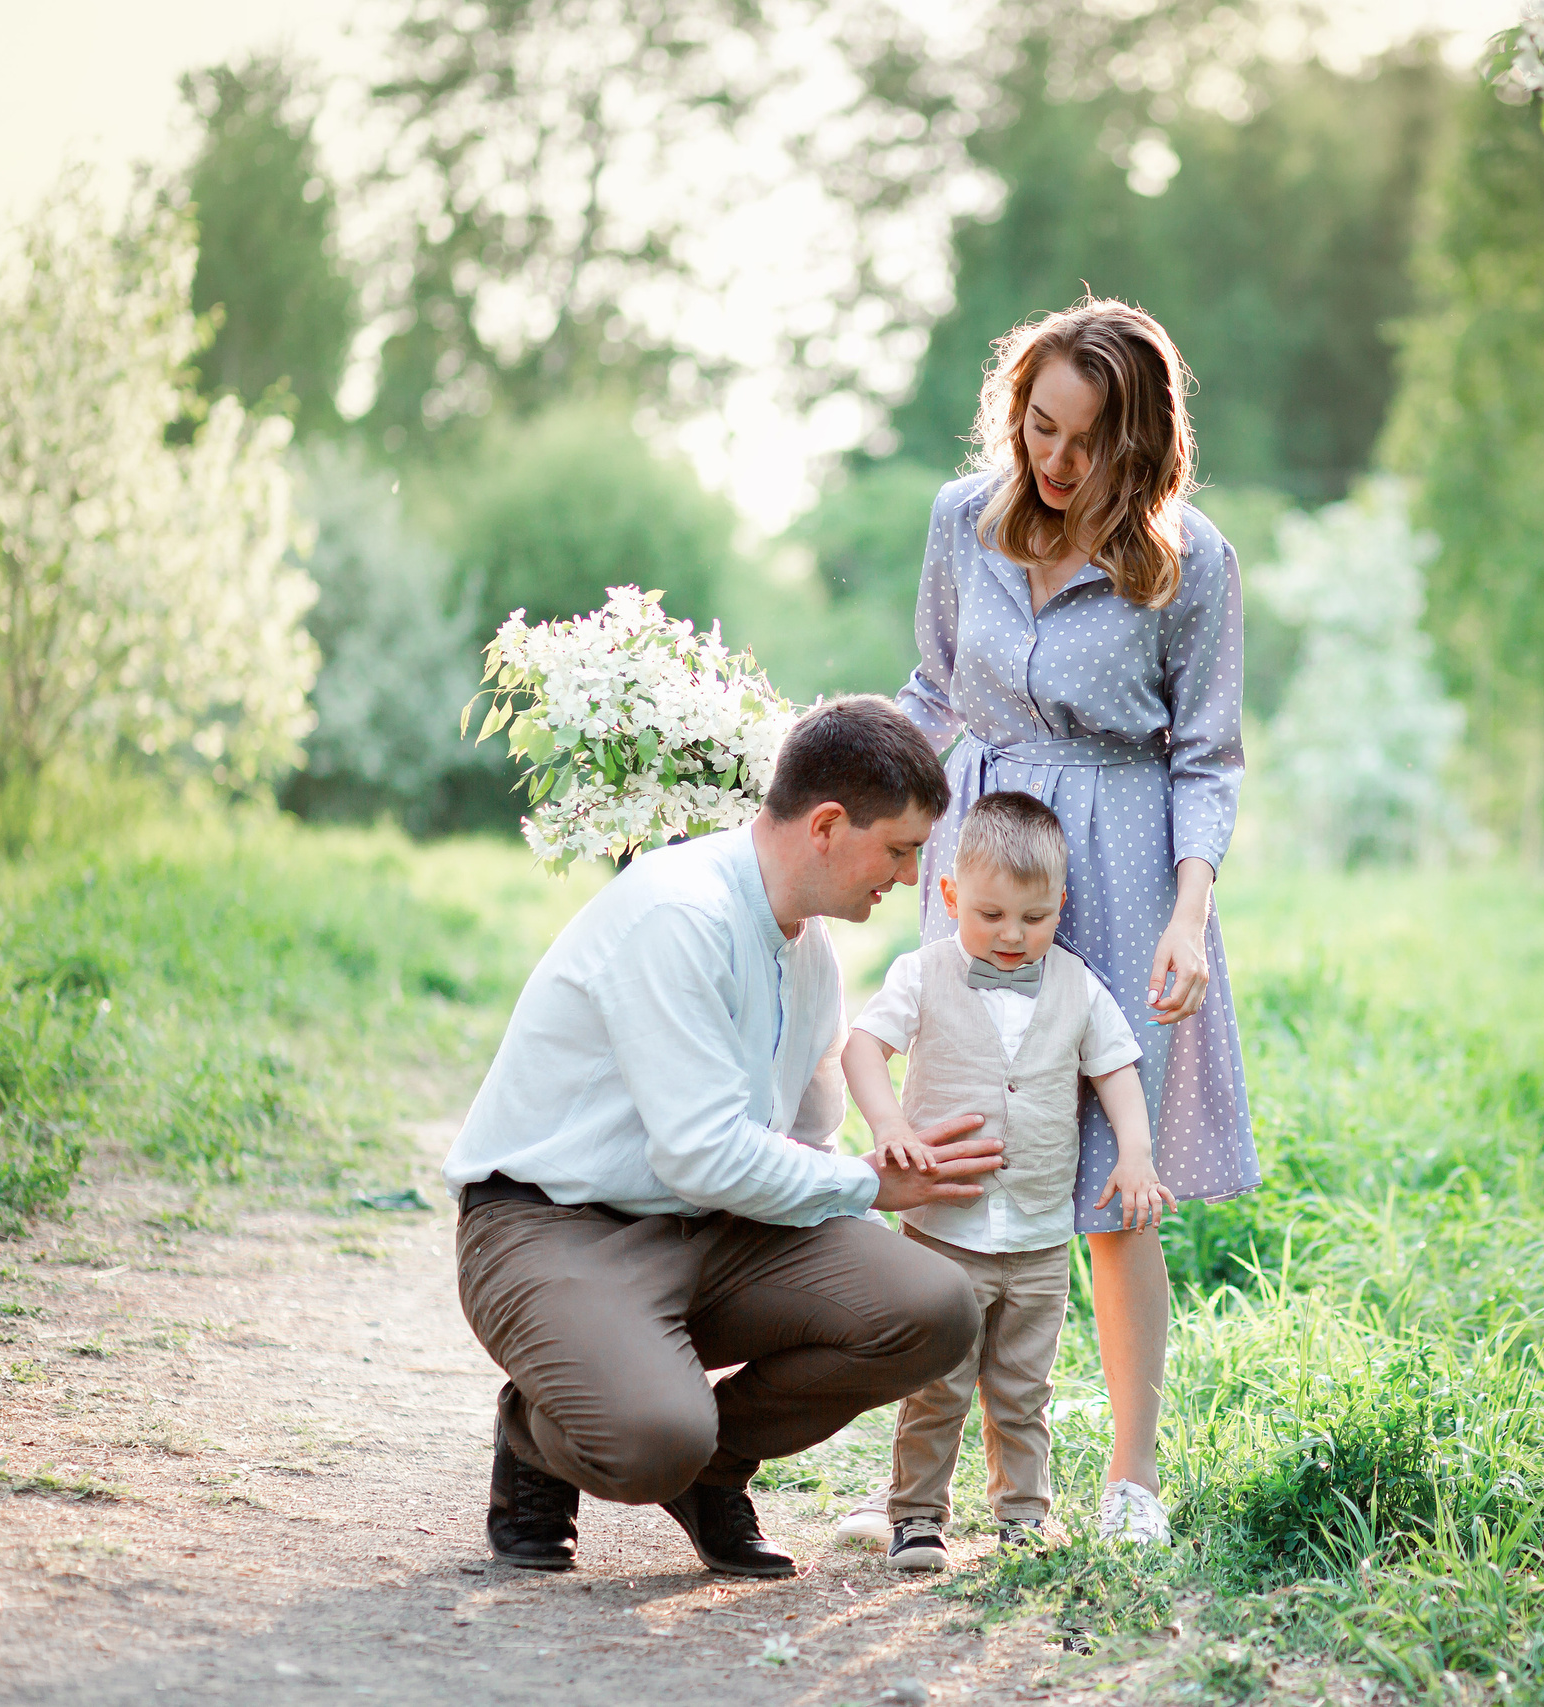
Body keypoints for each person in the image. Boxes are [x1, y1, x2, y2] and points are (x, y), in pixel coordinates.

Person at [836, 296, 1258, 1550]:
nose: (1057, 462)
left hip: (1125, 869)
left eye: (1087, 442)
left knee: (1111, 1187)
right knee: (955, 1159)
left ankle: (1130, 1481)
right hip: (982, 854)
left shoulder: (1192, 564)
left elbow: (1208, 757)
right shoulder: (960, 522)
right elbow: (930, 692)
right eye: (1039, 428)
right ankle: (921, 1487)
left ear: (1141, 448)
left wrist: (1189, 913)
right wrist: (834, 794)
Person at [444, 695, 1006, 1577]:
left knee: (933, 1308)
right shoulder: (680, 914)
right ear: (827, 824)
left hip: (717, 1226)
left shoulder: (811, 949)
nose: (905, 876)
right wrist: (866, 1185)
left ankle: (712, 1471)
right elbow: (701, 1152)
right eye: (899, 850)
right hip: (552, 1225)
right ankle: (539, 1432)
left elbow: (806, 1143)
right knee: (650, 1437)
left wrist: (887, 1164)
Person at [842, 791, 1174, 1572]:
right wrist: (889, 1127)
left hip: (1036, 1238)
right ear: (951, 895)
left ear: (1061, 902)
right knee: (936, 1386)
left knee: (1025, 1389)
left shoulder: (1078, 984)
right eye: (990, 915)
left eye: (1034, 917)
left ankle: (1023, 1518)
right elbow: (863, 1048)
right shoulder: (921, 973)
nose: (1013, 936)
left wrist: (1135, 1153)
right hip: (943, 1232)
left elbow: (1117, 1070)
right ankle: (917, 1516)